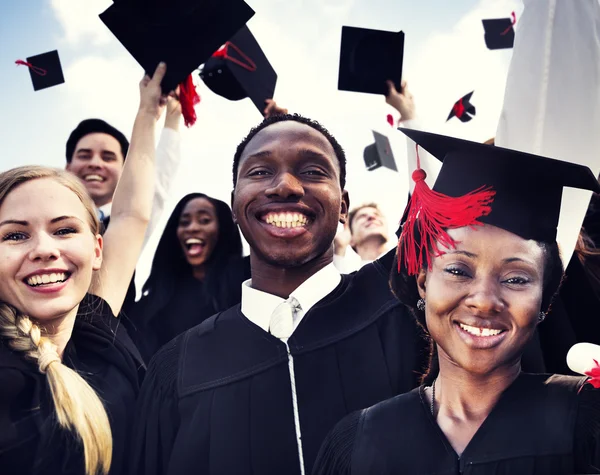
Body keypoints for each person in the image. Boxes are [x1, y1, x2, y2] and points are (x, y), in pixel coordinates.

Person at [130, 113, 426, 475]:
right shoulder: (176, 369)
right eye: (259, 172)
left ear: (343, 206)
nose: (285, 185)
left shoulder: (405, 312)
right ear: (236, 205)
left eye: (313, 171)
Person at [312, 130, 600, 475]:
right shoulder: (357, 441)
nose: (483, 300)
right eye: (458, 270)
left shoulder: (587, 418)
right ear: (423, 283)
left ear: (543, 301)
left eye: (516, 279)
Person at [0, 63, 168, 475]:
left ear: (97, 250)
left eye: (64, 230)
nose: (44, 250)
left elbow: (130, 213)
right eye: (15, 235)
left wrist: (149, 112)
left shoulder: (96, 333)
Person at [124, 192, 249, 362]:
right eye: (184, 222)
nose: (192, 228)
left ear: (223, 229)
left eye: (204, 220)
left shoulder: (247, 282)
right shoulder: (154, 305)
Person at [65, 92, 183, 238]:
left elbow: (159, 178)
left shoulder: (132, 222)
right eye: (84, 156)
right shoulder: (44, 216)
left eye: (108, 158)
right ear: (68, 168)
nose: (95, 164)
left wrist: (172, 117)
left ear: (124, 171)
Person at [333, 202, 395, 273]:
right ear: (351, 239)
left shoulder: (406, 260)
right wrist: (339, 249)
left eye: (377, 214)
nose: (372, 217)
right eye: (362, 216)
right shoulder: (353, 280)